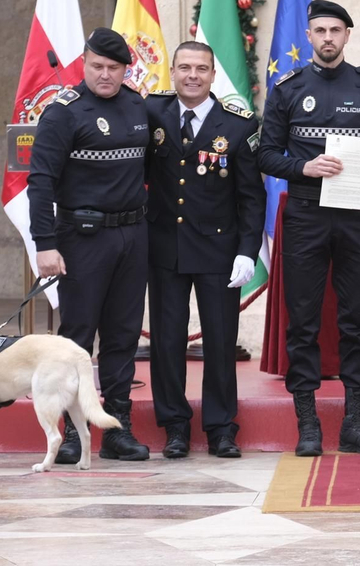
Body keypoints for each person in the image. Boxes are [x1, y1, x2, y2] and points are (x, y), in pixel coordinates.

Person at [257, 0, 360, 457]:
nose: (328, 38)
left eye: (336, 30)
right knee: (304, 322)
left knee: (356, 321)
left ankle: (354, 421)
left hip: (357, 218)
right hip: (305, 216)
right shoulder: (288, 87)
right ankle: (308, 424)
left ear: (347, 36)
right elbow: (266, 154)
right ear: (309, 36)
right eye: (320, 30)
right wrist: (304, 166)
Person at [28, 27, 153, 463]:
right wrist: (45, 244)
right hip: (82, 238)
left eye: (114, 68)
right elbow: (40, 182)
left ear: (125, 70)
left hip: (133, 236)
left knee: (122, 336)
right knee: (77, 335)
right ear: (84, 63)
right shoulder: (63, 112)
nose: (105, 75)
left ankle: (117, 429)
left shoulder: (137, 104)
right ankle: (73, 433)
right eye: (97, 66)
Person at [144, 41, 264, 459]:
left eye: (201, 68)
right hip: (165, 249)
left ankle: (220, 428)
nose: (192, 75)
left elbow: (251, 196)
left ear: (214, 75)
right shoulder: (152, 112)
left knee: (219, 342)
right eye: (184, 68)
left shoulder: (239, 124)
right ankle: (175, 426)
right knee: (166, 341)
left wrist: (248, 251)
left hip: (218, 250)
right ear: (172, 72)